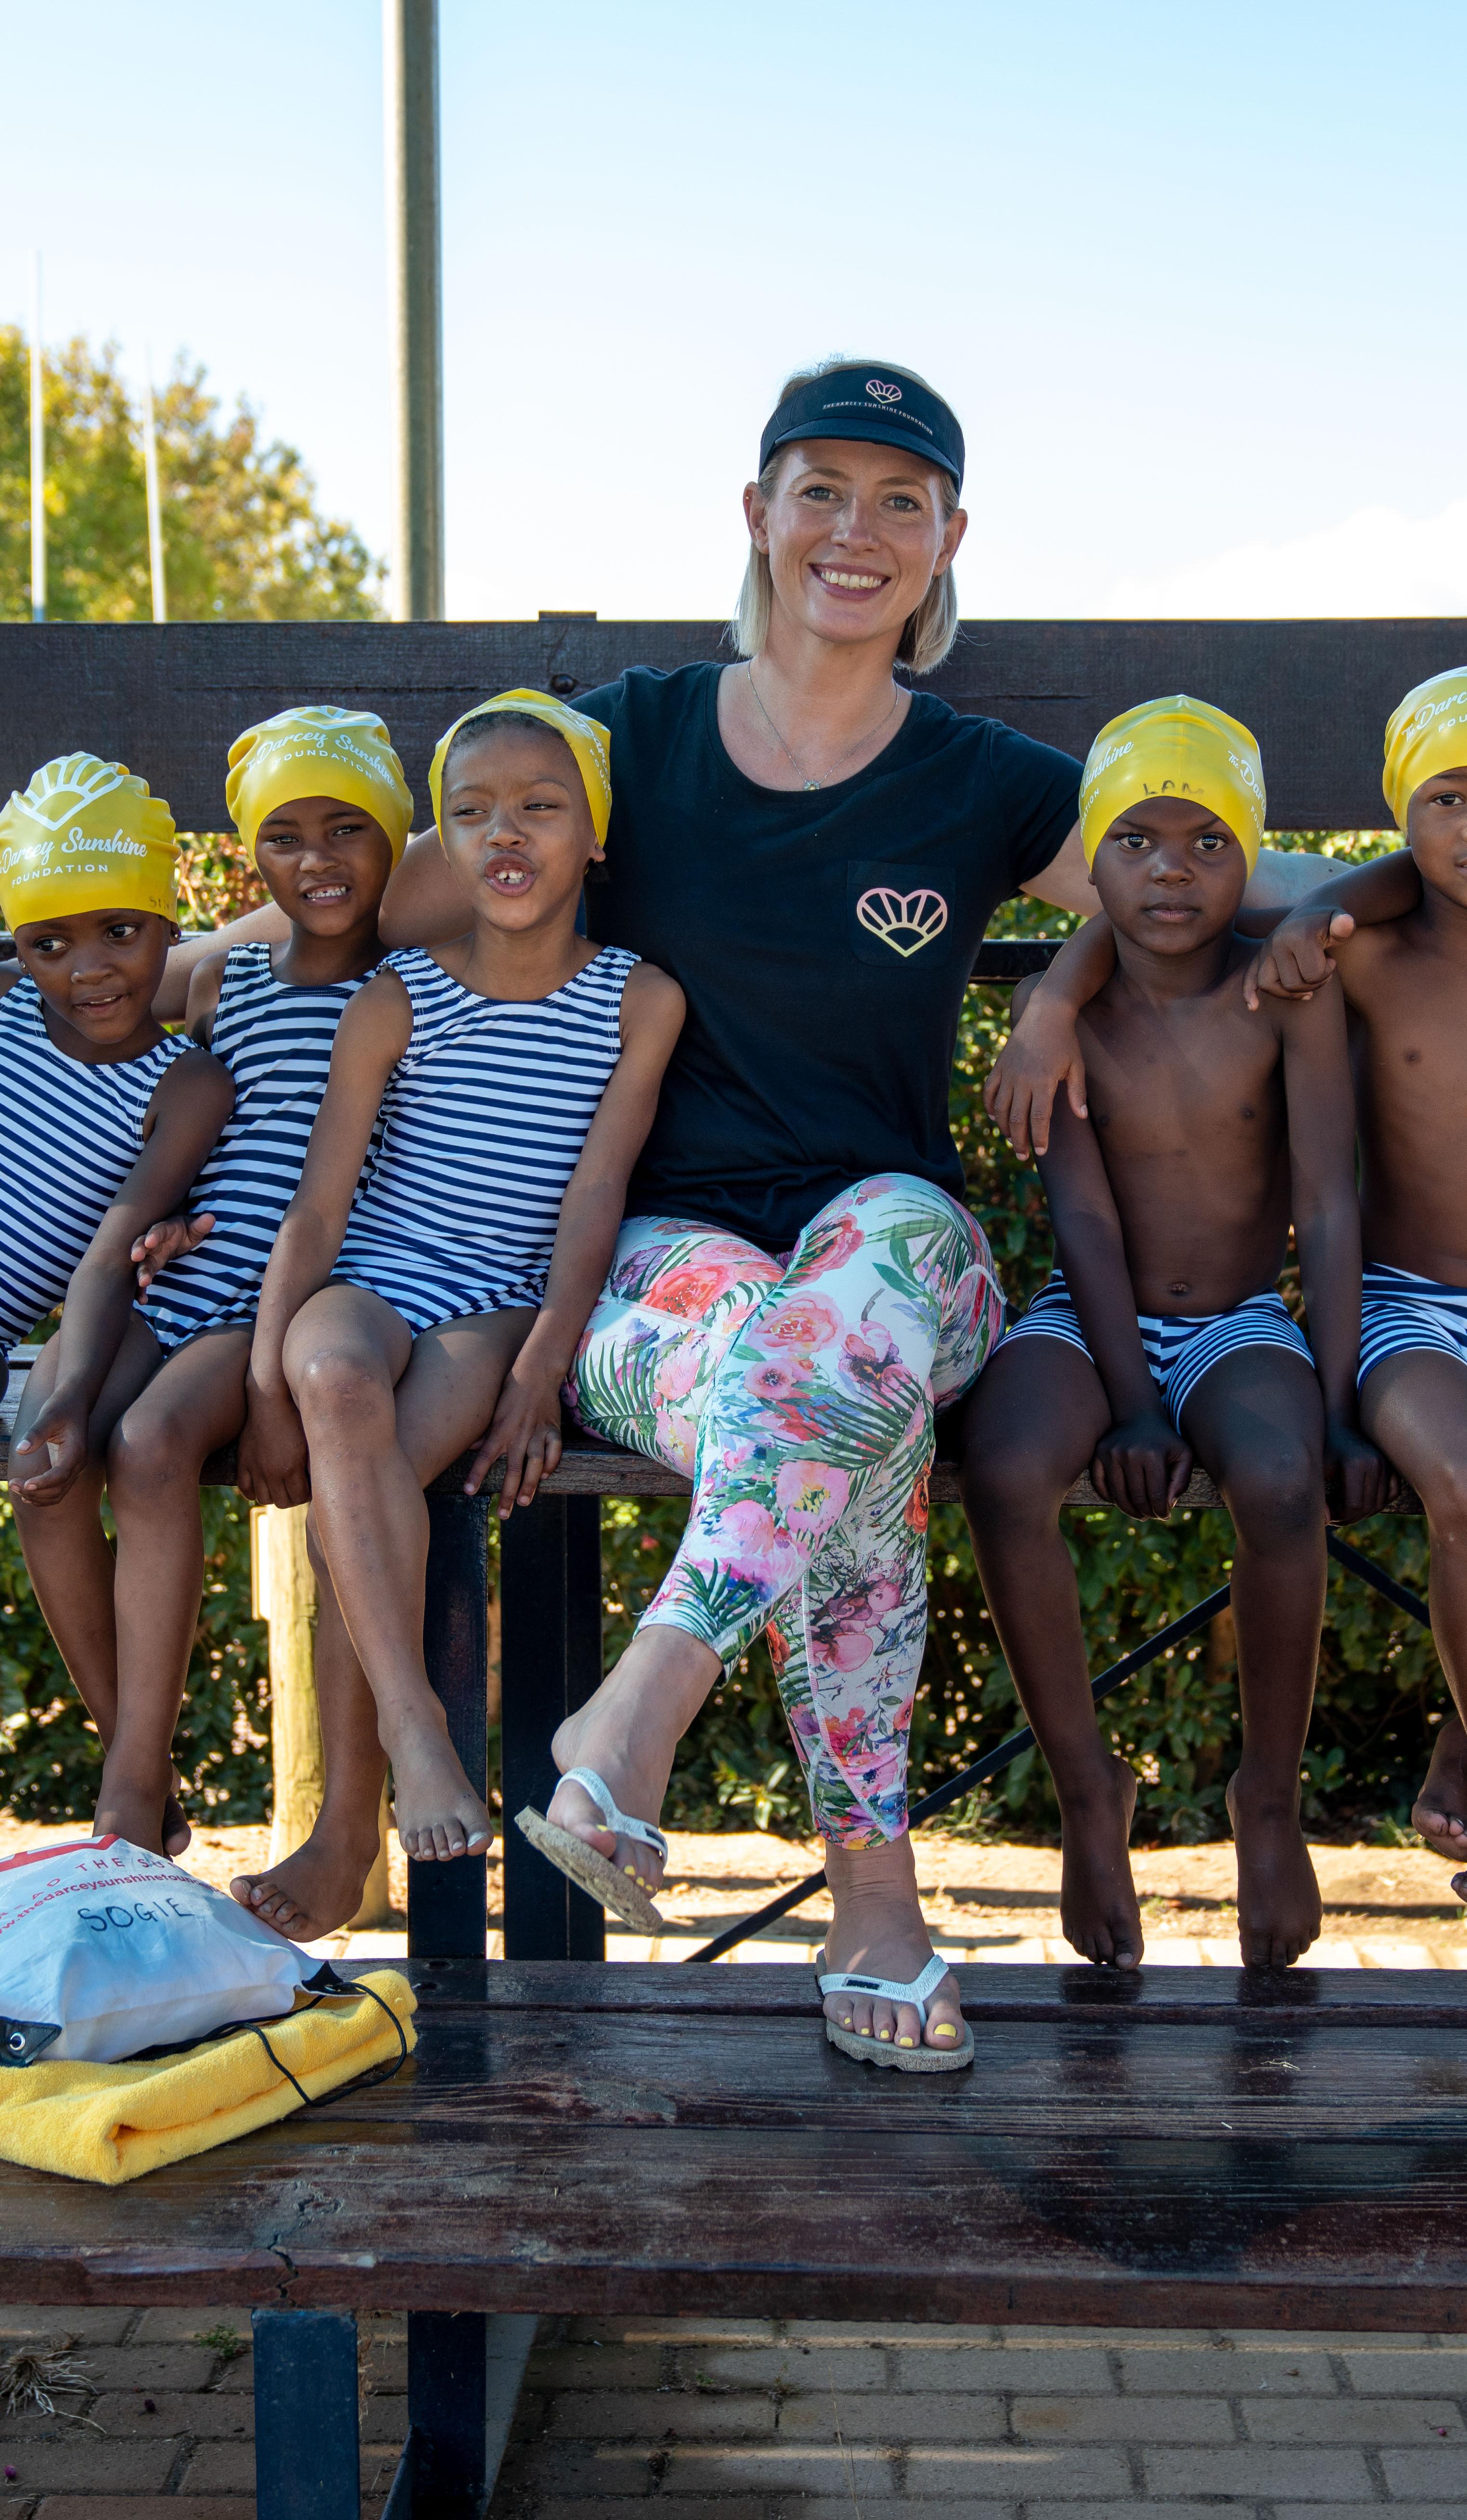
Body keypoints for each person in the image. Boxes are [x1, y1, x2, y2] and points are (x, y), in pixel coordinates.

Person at [371, 359, 1335, 2065]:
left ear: (952, 538)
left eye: (901, 500)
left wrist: (1065, 986)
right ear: (756, 514)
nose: (856, 530)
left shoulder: (977, 778)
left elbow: (1209, 878)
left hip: (902, 1238)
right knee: (831, 1398)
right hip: (655, 1272)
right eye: (821, 489)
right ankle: (872, 1900)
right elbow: (404, 892)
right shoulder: (631, 739)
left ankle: (642, 1706)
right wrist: (193, 964)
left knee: (861, 1302)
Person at [962, 698, 1387, 1971]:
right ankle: (1088, 1792)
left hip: (1242, 1319)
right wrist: (1134, 1402)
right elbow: (1081, 1218)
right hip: (1088, 1317)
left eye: (1209, 841)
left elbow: (1325, 1196)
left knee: (1279, 1474)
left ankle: (1268, 1793)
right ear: (1090, 861)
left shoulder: (1286, 989)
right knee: (1003, 1465)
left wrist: (1346, 1397)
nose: (1171, 869)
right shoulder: (1072, 1012)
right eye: (1137, 840)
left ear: (1250, 855)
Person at [247, 690, 685, 1869]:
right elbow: (323, 1204)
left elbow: (596, 1197)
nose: (505, 834)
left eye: (540, 809)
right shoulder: (398, 994)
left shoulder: (637, 1000)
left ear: (594, 833)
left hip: (497, 1303)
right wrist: (261, 1377)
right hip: (380, 1273)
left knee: (372, 1485)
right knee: (333, 1376)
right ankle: (413, 1720)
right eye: (470, 812)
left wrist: (546, 1359)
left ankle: (361, 1809)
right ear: (440, 839)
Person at [41, 708, 410, 1884]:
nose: (318, 861)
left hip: (288, 1294)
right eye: (284, 837)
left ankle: (133, 1786)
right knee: (51, 1451)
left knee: (149, 1444)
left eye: (349, 830)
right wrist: (169, 1223)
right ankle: (134, 1771)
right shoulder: (228, 985)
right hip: (194, 1266)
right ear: (251, 857)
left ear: (395, 841)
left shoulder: (411, 989)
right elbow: (188, 1103)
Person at [1236, 666, 1467, 1912]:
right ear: (1402, 813)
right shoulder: (1360, 960)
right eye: (1448, 797)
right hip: (1400, 1312)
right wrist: (1333, 1398)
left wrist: (1333, 889)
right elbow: (1321, 1197)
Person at [1, 756, 233, 1852]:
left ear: (165, 918)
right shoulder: (4, 1023)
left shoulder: (184, 1080)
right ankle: (136, 1777)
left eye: (120, 933)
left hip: (51, 1329)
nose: (89, 971)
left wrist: (69, 1393)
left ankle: (130, 1787)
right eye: (49, 944)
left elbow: (105, 1254)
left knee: (46, 1473)